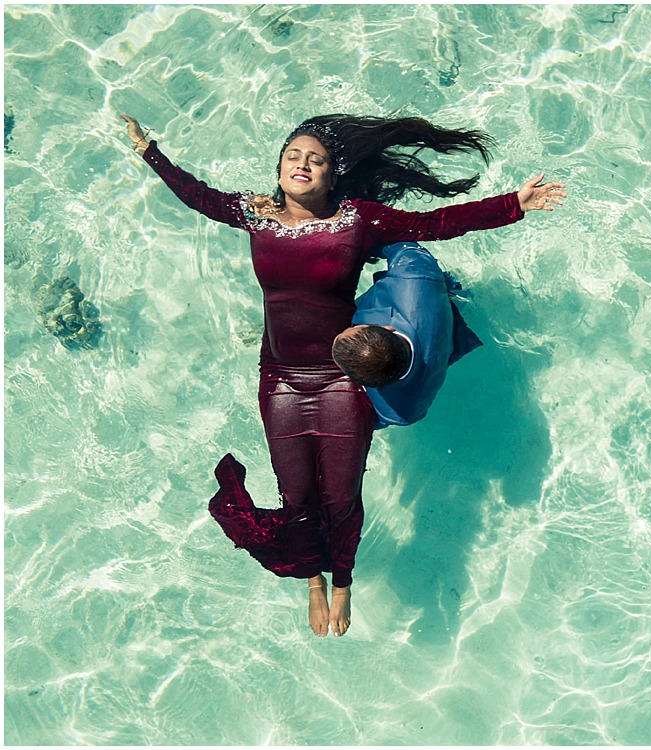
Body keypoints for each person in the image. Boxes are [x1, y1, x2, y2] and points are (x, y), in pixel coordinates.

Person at [123, 112, 566, 636]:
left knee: (341, 493)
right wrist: (150, 152)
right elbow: (197, 195)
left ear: (332, 175)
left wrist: (514, 205)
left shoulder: (359, 219)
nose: (302, 164)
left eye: (316, 159)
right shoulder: (255, 213)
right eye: (293, 156)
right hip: (281, 378)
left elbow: (438, 224)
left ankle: (342, 584)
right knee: (298, 494)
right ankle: (312, 582)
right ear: (280, 168)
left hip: (338, 379)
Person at [333, 241, 484, 428]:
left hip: (439, 322)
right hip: (440, 315)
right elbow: (403, 245)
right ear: (387, 329)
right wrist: (369, 247)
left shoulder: (397, 413)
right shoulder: (414, 276)